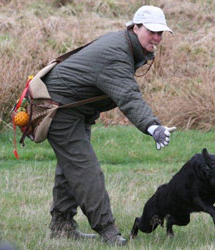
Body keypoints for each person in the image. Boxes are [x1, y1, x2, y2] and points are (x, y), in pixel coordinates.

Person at [42, 5, 176, 246]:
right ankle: (108, 231)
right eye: (151, 31)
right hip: (60, 107)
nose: (157, 38)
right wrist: (152, 126)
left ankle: (61, 226)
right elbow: (128, 96)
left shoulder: (125, 45)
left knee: (71, 167)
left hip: (74, 108)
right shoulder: (117, 54)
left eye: (161, 33)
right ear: (135, 27)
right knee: (85, 170)